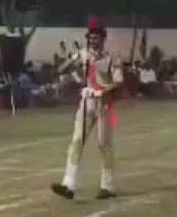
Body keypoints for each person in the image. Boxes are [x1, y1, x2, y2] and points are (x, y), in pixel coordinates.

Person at [51, 19, 124, 200]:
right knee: (76, 141)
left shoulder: (111, 57)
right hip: (87, 103)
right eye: (90, 37)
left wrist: (100, 91)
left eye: (96, 37)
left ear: (103, 38)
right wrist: (72, 59)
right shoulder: (83, 54)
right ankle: (69, 184)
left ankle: (108, 186)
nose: (93, 41)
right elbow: (60, 70)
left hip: (104, 104)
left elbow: (118, 81)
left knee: (104, 145)